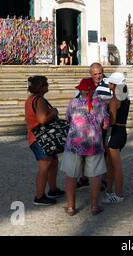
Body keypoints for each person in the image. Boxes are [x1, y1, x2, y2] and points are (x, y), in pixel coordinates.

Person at [61, 78, 110, 216]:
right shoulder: (100, 103)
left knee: (71, 175)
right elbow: (105, 124)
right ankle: (94, 206)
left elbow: (68, 118)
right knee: (95, 176)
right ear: (93, 90)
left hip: (74, 144)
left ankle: (71, 207)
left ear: (80, 90)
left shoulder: (73, 102)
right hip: (93, 144)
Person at [25, 76, 65, 206]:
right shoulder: (39, 100)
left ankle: (53, 189)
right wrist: (53, 113)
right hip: (41, 138)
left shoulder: (31, 99)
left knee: (53, 162)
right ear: (40, 87)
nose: (48, 85)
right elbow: (42, 119)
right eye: (46, 84)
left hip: (37, 137)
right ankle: (39, 196)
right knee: (45, 165)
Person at [103, 73, 131, 204]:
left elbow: (112, 121)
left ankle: (118, 194)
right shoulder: (125, 98)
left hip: (114, 132)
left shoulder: (114, 100)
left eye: (110, 83)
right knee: (111, 164)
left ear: (114, 85)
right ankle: (109, 190)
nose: (108, 85)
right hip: (122, 131)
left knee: (115, 166)